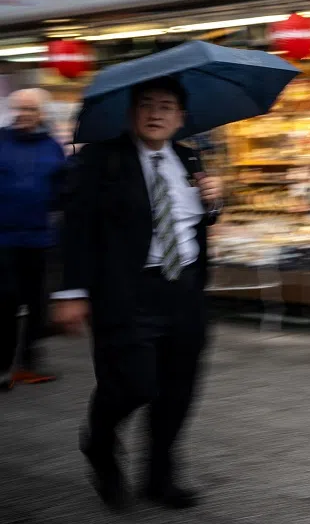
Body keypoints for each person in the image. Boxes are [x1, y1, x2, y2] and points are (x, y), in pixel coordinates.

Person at [52, 77, 224, 511]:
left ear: (180, 117)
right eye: (146, 105)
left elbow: (196, 223)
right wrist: (71, 291)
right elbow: (76, 227)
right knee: (132, 384)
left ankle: (159, 477)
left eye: (166, 106)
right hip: (127, 290)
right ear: (131, 113)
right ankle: (100, 443)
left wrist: (214, 202)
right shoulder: (101, 160)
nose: (156, 113)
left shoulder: (189, 158)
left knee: (177, 390)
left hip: (184, 289)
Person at [0, 88, 67, 390]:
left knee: (38, 306)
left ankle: (27, 363)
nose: (24, 115)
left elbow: (62, 190)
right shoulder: (1, 140)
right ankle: (3, 368)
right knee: (6, 304)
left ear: (41, 114)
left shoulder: (52, 147)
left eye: (30, 110)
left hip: (40, 240)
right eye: (20, 109)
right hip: (4, 240)